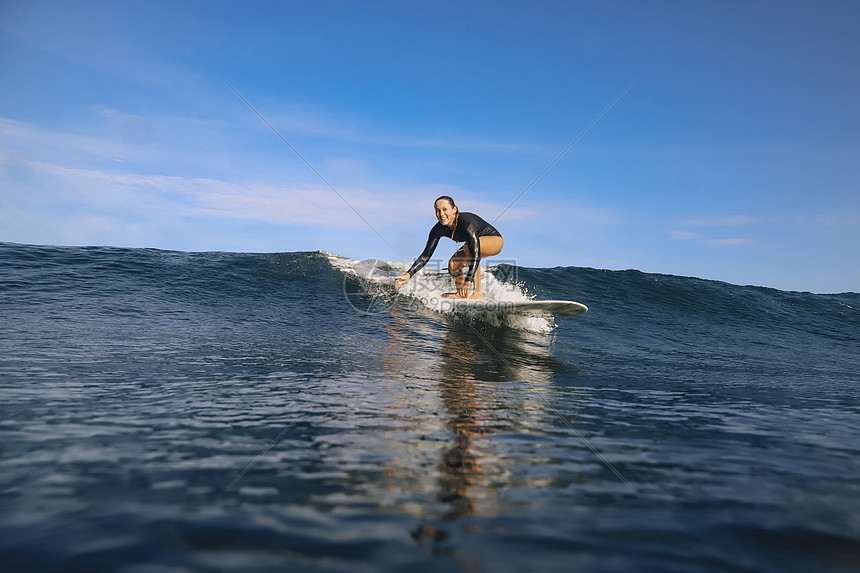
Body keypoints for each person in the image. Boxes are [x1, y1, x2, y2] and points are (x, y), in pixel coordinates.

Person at [395, 196, 503, 299]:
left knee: (468, 247)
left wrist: (468, 279)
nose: (441, 214)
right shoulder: (438, 229)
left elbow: (475, 253)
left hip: (495, 241)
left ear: (454, 209)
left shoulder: (466, 222)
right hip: (472, 246)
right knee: (453, 265)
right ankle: (461, 294)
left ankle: (477, 294)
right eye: (437, 210)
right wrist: (408, 274)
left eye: (445, 209)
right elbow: (425, 256)